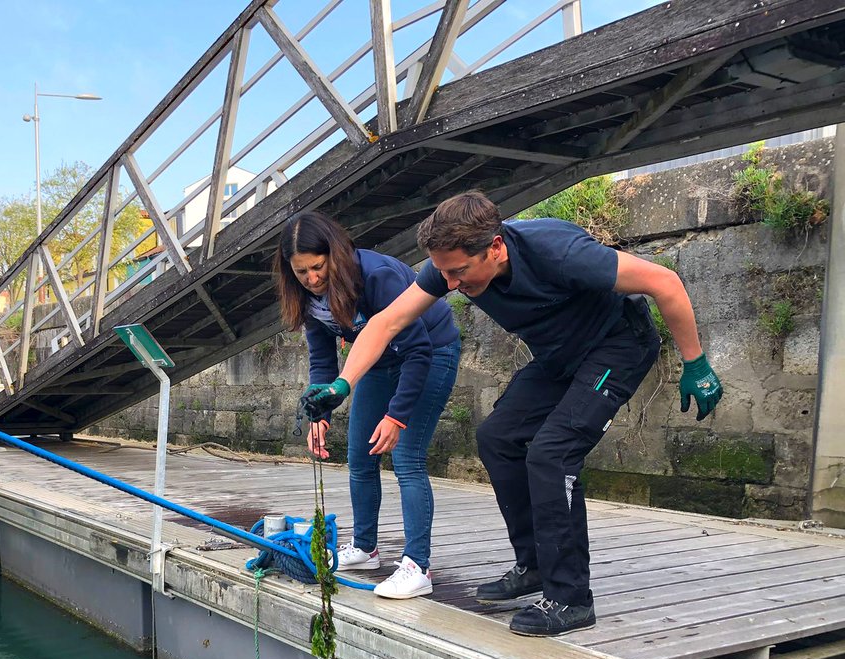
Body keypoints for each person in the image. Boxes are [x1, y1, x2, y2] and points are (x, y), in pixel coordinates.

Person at [300, 191, 722, 636]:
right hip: (560, 357)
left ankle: (571, 597)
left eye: (459, 271)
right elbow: (386, 323)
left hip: (617, 347)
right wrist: (341, 384)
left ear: (495, 248)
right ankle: (536, 565)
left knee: (552, 454)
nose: (451, 284)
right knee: (498, 438)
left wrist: (694, 363)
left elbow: (665, 282)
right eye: (444, 273)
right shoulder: (448, 269)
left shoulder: (559, 253)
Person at [275, 211, 461, 599]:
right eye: (300, 272)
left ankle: (417, 566)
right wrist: (320, 415)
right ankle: (365, 548)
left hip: (431, 352)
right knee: (360, 455)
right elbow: (323, 361)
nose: (311, 279)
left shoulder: (377, 277)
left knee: (407, 457)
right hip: (380, 360)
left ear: (334, 255)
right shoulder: (310, 300)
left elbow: (418, 350)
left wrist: (397, 415)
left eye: (317, 267)